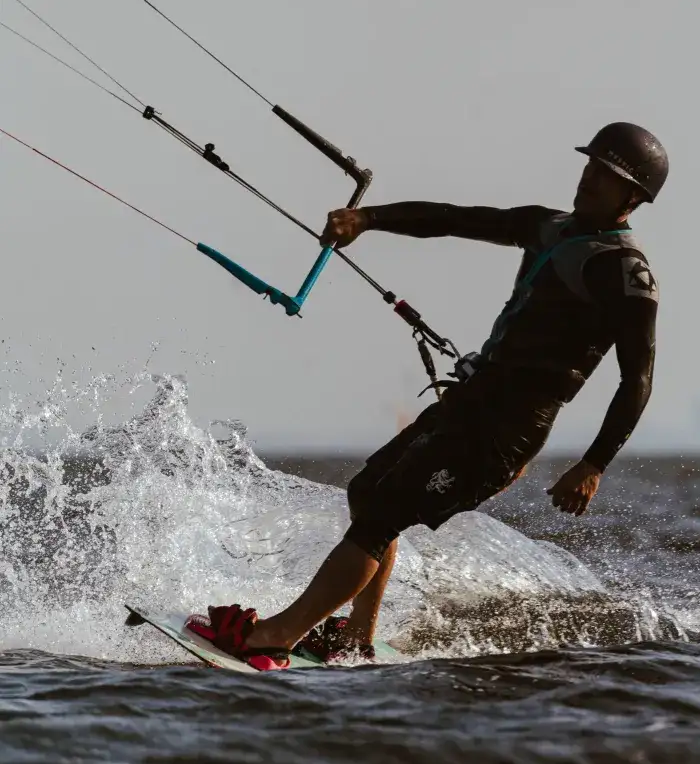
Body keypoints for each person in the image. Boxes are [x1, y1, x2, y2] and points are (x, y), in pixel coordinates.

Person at [186, 122, 667, 670]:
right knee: (368, 493)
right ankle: (355, 638)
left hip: (508, 429)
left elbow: (638, 379)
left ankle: (274, 636)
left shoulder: (624, 271)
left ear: (633, 197)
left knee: (378, 521)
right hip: (470, 402)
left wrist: (594, 463)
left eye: (605, 178)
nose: (588, 181)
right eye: (589, 168)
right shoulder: (547, 226)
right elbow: (456, 219)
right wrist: (369, 219)